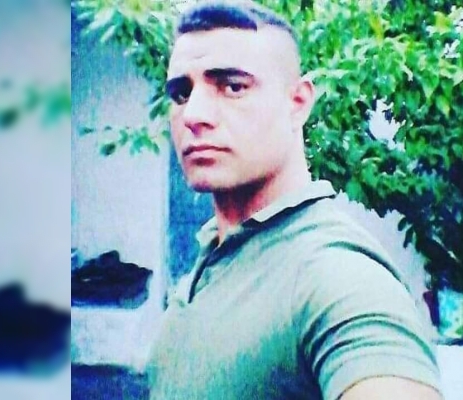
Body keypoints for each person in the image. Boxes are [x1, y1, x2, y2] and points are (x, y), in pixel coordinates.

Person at [147, 1, 442, 399]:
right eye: (182, 93)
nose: (193, 114)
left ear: (298, 103)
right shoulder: (215, 252)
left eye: (233, 86)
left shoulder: (335, 274)